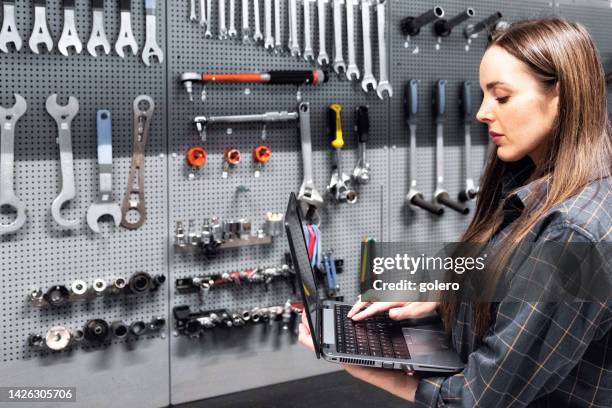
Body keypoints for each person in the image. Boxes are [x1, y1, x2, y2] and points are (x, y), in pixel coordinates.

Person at [298, 18, 612, 407]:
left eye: (501, 97)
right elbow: (518, 271)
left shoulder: (575, 232)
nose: (481, 112)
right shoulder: (530, 182)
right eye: (483, 95)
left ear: (561, 97)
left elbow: (476, 399)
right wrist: (441, 286)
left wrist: (358, 363)